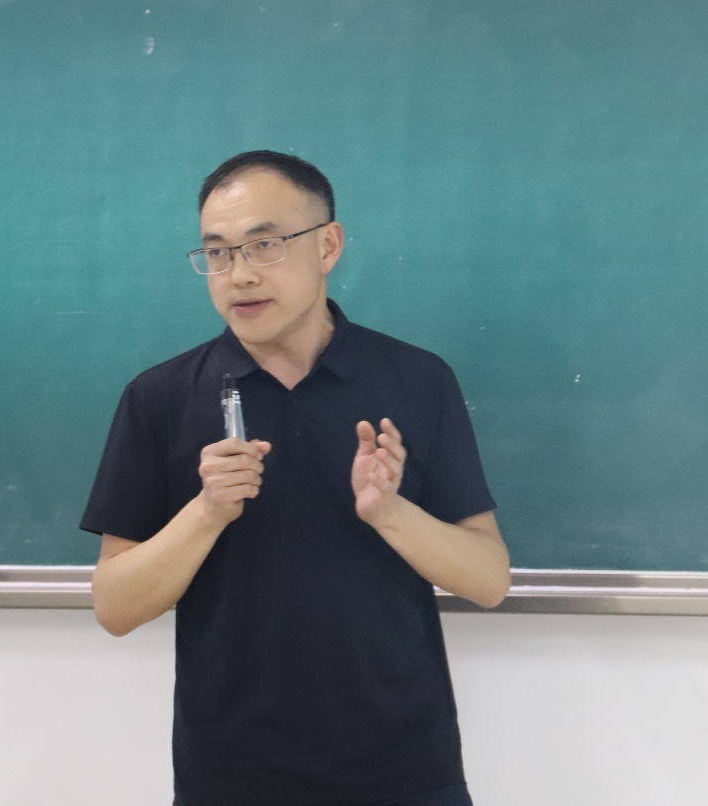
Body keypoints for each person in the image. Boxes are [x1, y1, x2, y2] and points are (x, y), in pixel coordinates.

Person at [81, 150, 510, 806]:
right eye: (217, 253)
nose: (240, 274)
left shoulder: (416, 381)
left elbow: (488, 580)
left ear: (328, 245)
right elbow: (115, 607)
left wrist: (391, 512)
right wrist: (206, 512)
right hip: (231, 775)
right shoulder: (161, 397)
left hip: (405, 770)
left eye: (266, 244)